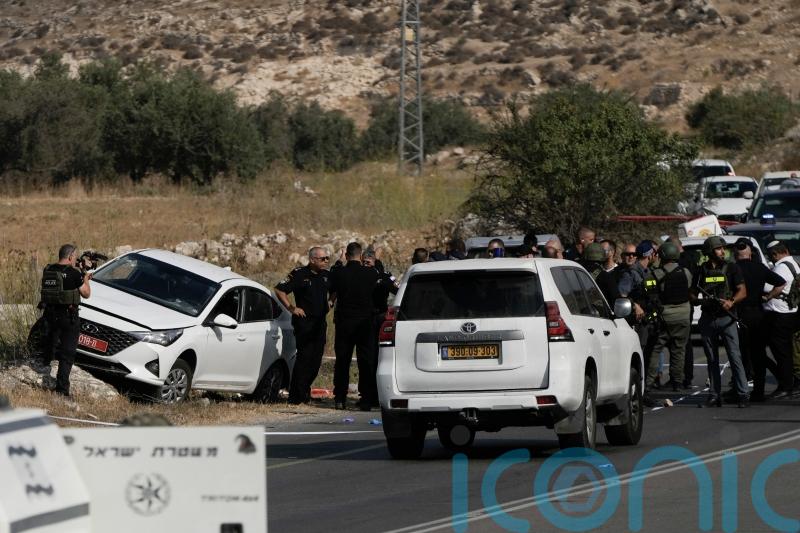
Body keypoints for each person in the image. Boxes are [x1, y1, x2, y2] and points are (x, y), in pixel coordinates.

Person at [691, 235, 748, 407]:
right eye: (718, 248)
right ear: (709, 252)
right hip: (708, 319)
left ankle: (743, 394)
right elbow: (692, 293)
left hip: (727, 319)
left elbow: (742, 291)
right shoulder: (701, 270)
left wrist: (731, 302)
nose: (723, 251)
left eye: (723, 248)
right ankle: (714, 394)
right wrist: (700, 301)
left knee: (734, 356)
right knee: (711, 358)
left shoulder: (732, 268)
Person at [275, 247, 332, 405]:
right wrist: (292, 308)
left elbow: (336, 290)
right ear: (312, 260)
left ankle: (304, 392)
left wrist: (331, 301)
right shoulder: (299, 274)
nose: (326, 261)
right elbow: (280, 289)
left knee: (316, 360)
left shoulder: (326, 275)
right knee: (304, 358)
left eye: (327, 258)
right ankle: (296, 397)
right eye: (323, 259)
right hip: (304, 323)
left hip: (320, 323)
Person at [329, 242, 381, 410]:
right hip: (365, 323)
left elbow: (332, 285)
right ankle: (366, 399)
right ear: (360, 256)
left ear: (346, 255)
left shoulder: (339, 273)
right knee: (366, 361)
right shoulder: (371, 273)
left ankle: (340, 398)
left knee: (342, 361)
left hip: (345, 323)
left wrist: (337, 264)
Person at [734, 238, 784, 401]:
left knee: (740, 354)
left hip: (739, 315)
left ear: (735, 253)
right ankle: (759, 391)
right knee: (758, 354)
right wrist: (767, 297)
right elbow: (780, 283)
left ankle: (739, 388)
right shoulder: (759, 267)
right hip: (758, 313)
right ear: (751, 252)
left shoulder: (733, 269)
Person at [39, 244, 92, 397]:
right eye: (75, 257)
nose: (75, 260)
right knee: (67, 353)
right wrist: (85, 277)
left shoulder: (48, 270)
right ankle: (62, 390)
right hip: (68, 318)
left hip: (49, 315)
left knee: (51, 344)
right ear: (70, 257)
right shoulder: (74, 274)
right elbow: (86, 293)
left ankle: (44, 362)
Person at [618, 240, 661, 405]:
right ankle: (639, 392)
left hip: (650, 321)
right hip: (639, 323)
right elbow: (622, 294)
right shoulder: (631, 273)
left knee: (649, 355)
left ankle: (645, 389)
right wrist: (635, 305)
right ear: (649, 254)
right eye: (654, 253)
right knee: (640, 356)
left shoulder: (647, 271)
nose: (656, 256)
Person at [651, 242, 692, 391]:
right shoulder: (685, 272)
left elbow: (651, 293)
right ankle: (678, 382)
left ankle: (649, 382)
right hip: (683, 316)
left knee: (655, 349)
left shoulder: (657, 273)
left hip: (665, 316)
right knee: (679, 350)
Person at [761, 240, 799, 399]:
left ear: (776, 253)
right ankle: (792, 383)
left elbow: (770, 287)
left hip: (779, 315)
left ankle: (785, 386)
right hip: (792, 312)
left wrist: (767, 296)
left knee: (781, 352)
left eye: (772, 256)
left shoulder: (781, 267)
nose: (772, 259)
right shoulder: (794, 264)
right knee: (789, 351)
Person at [362, 249, 400, 404]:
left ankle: (376, 394)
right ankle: (366, 394)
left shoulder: (384, 274)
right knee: (367, 356)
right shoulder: (360, 276)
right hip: (365, 317)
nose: (366, 265)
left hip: (380, 316)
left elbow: (397, 289)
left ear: (374, 261)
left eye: (368, 262)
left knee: (380, 356)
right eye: (363, 262)